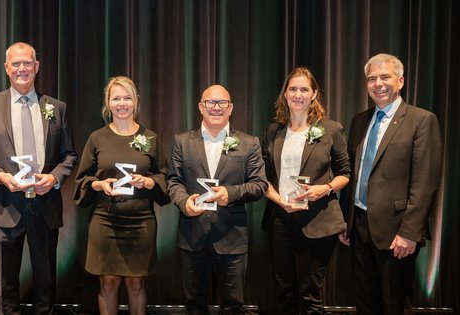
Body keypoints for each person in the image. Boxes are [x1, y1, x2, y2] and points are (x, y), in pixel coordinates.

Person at [0, 42, 77, 315]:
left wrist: (53, 179)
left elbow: (69, 156)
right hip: (5, 205)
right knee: (6, 286)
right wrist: (1, 176)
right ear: (6, 68)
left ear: (37, 67)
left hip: (44, 206)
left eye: (27, 63)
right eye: (15, 64)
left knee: (46, 283)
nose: (21, 69)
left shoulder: (56, 107)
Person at [339, 53, 442, 314]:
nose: (378, 83)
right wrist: (345, 220)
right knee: (365, 302)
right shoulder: (359, 120)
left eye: (385, 76)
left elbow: (425, 183)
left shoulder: (422, 120)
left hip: (397, 232)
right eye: (371, 78)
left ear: (401, 80)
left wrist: (410, 232)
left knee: (393, 304)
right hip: (359, 227)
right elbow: (354, 173)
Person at [166, 84, 268, 315]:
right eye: (210, 102)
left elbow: (259, 184)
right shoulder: (181, 141)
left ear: (230, 108)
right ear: (201, 107)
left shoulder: (248, 143)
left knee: (233, 305)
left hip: (232, 238)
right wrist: (184, 202)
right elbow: (173, 181)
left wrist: (230, 194)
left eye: (222, 103)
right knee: (193, 303)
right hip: (192, 236)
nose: (216, 107)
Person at [74, 76, 170, 315]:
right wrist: (98, 185)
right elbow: (82, 180)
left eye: (127, 97)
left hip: (141, 221)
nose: (122, 103)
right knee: (107, 282)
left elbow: (165, 178)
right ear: (107, 103)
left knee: (136, 283)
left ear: (136, 102)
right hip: (105, 221)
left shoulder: (151, 138)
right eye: (116, 98)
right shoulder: (97, 138)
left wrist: (149, 181)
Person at [260, 67, 350, 314]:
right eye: (293, 89)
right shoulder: (273, 131)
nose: (298, 94)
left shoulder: (331, 129)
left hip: (318, 220)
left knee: (310, 294)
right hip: (280, 220)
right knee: (284, 291)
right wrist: (279, 200)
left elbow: (346, 174)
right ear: (285, 94)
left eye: (304, 89)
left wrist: (325, 188)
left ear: (314, 94)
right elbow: (263, 178)